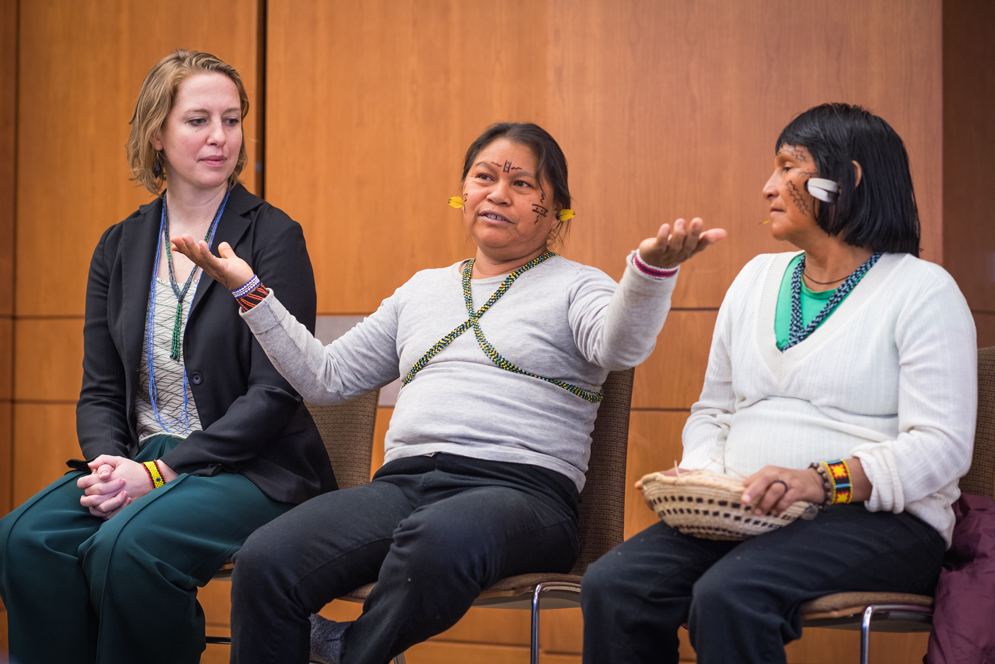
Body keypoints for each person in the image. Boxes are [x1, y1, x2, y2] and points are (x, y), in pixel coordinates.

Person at [171, 121, 726, 664]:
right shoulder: (423, 289)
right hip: (406, 487)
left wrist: (650, 273)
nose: (498, 194)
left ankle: (349, 651)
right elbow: (326, 378)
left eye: (523, 184)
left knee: (437, 538)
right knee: (267, 558)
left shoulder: (579, 285)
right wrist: (251, 292)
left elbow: (619, 347)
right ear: (462, 192)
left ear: (556, 209)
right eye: (484, 177)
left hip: (523, 496)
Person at [580, 103, 977, 664]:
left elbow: (942, 446)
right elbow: (713, 411)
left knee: (731, 596)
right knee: (614, 584)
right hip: (742, 512)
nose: (769, 186)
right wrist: (704, 477)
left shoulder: (923, 291)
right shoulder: (755, 278)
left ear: (849, 179)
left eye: (789, 167)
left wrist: (821, 480)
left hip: (881, 522)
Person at [0, 50, 335, 664]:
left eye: (232, 121)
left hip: (252, 469)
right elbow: (102, 388)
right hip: (139, 457)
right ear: (157, 133)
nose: (220, 138)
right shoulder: (120, 244)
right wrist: (108, 464)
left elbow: (276, 392)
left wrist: (160, 472)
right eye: (198, 120)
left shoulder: (274, 234)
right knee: (24, 539)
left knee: (127, 548)